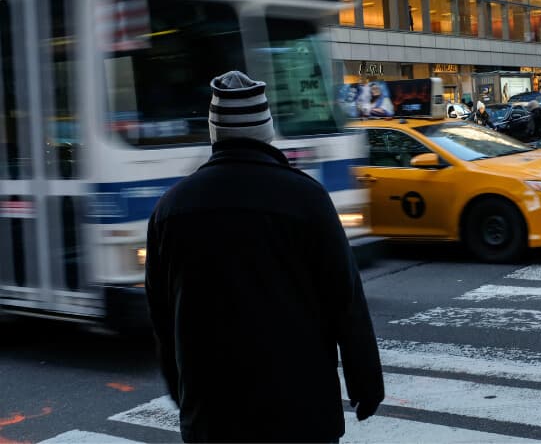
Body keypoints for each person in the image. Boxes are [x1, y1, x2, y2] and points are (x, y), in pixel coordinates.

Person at [145, 71, 384, 443]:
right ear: (266, 131)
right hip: (300, 409)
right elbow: (345, 300)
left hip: (212, 413)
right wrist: (366, 385)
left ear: (215, 132)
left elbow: (162, 315)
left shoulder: (171, 209)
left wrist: (181, 390)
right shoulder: (307, 199)